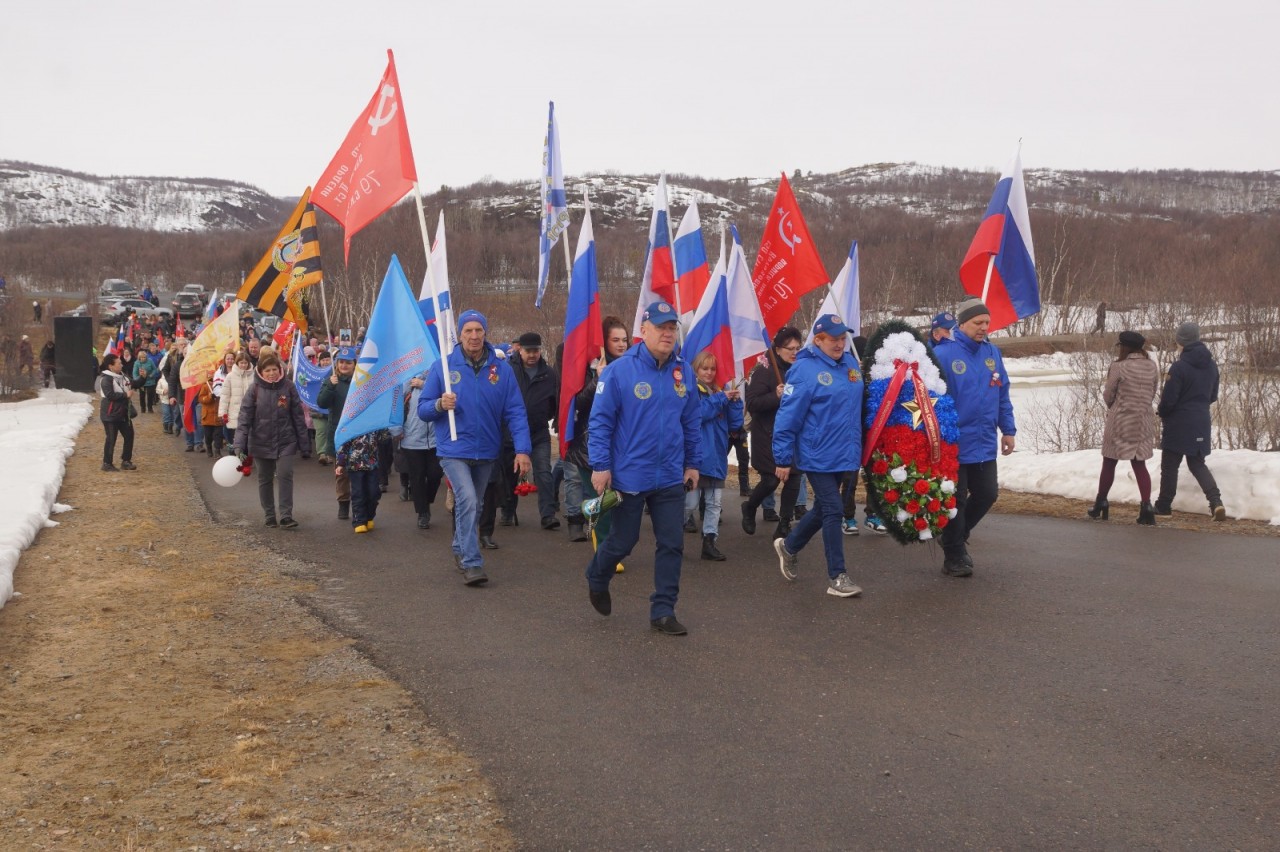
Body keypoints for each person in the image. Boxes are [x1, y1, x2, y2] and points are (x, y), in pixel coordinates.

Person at [584, 299, 701, 636]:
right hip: (630, 474)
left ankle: (663, 610)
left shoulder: (684, 371)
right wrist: (601, 466)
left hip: (669, 477)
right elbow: (601, 422)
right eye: (661, 328)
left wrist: (693, 463)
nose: (667, 333)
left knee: (672, 542)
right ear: (644, 331)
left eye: (672, 328)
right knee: (624, 540)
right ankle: (597, 574)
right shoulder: (621, 371)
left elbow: (691, 421)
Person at [419, 310, 532, 587]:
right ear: (459, 334)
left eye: (478, 330)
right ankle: (472, 562)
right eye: (468, 330)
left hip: (486, 450)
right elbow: (423, 409)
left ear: (485, 333)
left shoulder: (501, 370)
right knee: (468, 500)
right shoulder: (443, 368)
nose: (474, 336)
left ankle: (459, 546)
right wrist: (438, 405)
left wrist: (522, 450)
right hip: (454, 448)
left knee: (476, 504)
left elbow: (515, 411)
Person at [769, 315, 865, 598]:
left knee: (825, 509)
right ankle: (838, 576)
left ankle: (789, 546)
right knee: (834, 510)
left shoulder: (850, 363)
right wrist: (783, 458)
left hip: (845, 451)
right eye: (833, 339)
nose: (839, 344)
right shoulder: (804, 370)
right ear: (818, 340)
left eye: (842, 338)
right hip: (817, 453)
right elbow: (788, 416)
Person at [934, 298, 1016, 577]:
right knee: (955, 499)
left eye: (986, 323)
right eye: (977, 323)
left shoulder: (992, 353)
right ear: (962, 323)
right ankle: (954, 555)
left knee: (987, 493)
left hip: (984, 441)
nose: (983, 328)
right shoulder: (944, 355)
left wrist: (1008, 430)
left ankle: (954, 536)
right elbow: (933, 401)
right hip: (954, 442)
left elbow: (1002, 394)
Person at [567, 315, 630, 570]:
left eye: (625, 339)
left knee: (620, 501)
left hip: (622, 446)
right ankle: (605, 552)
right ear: (604, 342)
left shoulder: (632, 367)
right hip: (589, 446)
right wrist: (598, 380)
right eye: (615, 340)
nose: (622, 344)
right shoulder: (589, 366)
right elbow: (577, 404)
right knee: (603, 500)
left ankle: (613, 545)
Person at [1154, 322, 1226, 520]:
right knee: (1197, 463)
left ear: (1182, 342)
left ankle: (1164, 506)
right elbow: (1213, 395)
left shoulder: (1179, 367)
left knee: (1170, 465)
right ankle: (1216, 502)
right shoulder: (1212, 365)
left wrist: (1163, 413)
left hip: (1179, 422)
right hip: (1201, 420)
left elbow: (1169, 400)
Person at [1088, 330, 1159, 524]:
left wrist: (1115, 406)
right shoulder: (1152, 366)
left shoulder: (1119, 367)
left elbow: (1108, 395)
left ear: (1124, 347)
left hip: (1120, 420)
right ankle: (1146, 507)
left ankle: (1101, 502)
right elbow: (1152, 392)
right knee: (1139, 463)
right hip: (1142, 421)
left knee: (1109, 461)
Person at [234, 349, 309, 529]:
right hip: (261, 441)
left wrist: (305, 445)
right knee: (265, 478)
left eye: (274, 369)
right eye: (267, 370)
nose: (271, 373)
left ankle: (285, 515)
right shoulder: (254, 390)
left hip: (286, 441)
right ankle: (269, 514)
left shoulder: (289, 387)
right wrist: (239, 444)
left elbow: (298, 417)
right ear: (261, 372)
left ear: (279, 369)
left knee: (285, 475)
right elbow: (244, 418)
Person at [742, 327, 804, 539]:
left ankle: (785, 523)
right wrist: (775, 397)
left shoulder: (800, 370)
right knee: (771, 480)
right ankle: (750, 507)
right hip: (767, 435)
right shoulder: (765, 371)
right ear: (777, 350)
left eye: (798, 347)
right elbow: (752, 403)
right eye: (790, 348)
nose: (795, 352)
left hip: (793, 435)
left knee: (794, 478)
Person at [685, 351, 743, 561]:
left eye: (712, 369)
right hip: (695, 458)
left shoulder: (720, 392)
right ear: (696, 369)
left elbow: (735, 425)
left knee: (714, 504)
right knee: (690, 504)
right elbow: (697, 415)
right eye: (705, 368)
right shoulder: (691, 391)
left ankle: (709, 542)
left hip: (717, 456)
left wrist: (735, 403)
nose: (709, 373)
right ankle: (671, 535)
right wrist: (720, 399)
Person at [511, 331, 561, 530]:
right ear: (520, 350)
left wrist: (546, 416)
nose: (532, 355)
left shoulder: (549, 374)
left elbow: (554, 402)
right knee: (509, 474)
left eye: (536, 351)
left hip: (539, 432)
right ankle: (508, 508)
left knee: (543, 472)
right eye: (528, 351)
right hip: (512, 433)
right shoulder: (509, 371)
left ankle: (548, 514)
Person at [318, 347, 357, 519]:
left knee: (358, 471)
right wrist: (330, 387)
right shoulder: (331, 381)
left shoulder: (360, 381)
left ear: (354, 364)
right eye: (341, 362)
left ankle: (359, 504)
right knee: (341, 472)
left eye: (348, 362)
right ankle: (343, 503)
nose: (344, 365)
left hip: (357, 433)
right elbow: (322, 403)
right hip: (338, 433)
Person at [401, 371, 444, 529]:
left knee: (435, 474)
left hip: (436, 439)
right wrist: (396, 429)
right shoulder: (407, 378)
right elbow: (395, 403)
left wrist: (424, 385)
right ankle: (423, 513)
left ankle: (426, 501)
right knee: (417, 477)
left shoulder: (438, 374)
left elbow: (447, 394)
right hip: (412, 439)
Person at [334, 428, 392, 533]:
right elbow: (342, 443)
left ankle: (369, 516)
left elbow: (384, 438)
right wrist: (340, 463)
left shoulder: (375, 423)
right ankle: (359, 520)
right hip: (355, 465)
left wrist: (385, 428)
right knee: (358, 493)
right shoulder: (351, 421)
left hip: (372, 464)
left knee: (374, 492)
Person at [98, 354, 136, 472]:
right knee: (111, 438)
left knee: (129, 435)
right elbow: (110, 395)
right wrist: (125, 395)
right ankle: (107, 463)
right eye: (119, 363)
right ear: (111, 366)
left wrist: (143, 377)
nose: (122, 364)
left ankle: (126, 461)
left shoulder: (123, 376)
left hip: (123, 412)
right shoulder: (106, 379)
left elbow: (134, 384)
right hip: (110, 414)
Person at [218, 350, 254, 451]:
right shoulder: (230, 376)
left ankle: (246, 462)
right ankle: (233, 458)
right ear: (237, 363)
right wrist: (222, 413)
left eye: (245, 363)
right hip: (234, 411)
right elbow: (225, 396)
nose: (243, 365)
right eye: (241, 363)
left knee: (247, 439)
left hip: (249, 412)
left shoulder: (253, 375)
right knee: (233, 439)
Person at [197, 368, 225, 457]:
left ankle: (217, 450)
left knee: (218, 435)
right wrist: (210, 396)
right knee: (208, 435)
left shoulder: (221, 385)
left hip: (218, 415)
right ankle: (209, 447)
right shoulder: (205, 386)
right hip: (207, 416)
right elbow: (201, 399)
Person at [131, 346, 158, 413]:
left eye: (144, 357)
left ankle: (150, 408)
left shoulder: (150, 361)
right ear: (139, 358)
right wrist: (138, 380)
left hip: (150, 380)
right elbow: (134, 373)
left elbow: (155, 369)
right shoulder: (136, 363)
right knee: (142, 396)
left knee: (150, 395)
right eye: (142, 357)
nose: (143, 359)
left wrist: (152, 374)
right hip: (141, 382)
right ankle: (143, 408)